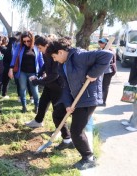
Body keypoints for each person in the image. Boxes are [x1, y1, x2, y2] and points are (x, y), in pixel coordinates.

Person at [46, 38, 112, 170]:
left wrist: (93, 74)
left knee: (76, 130)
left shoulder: (79, 56)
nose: (54, 60)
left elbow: (108, 55)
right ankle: (67, 140)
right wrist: (67, 104)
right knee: (58, 114)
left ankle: (88, 157)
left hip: (87, 98)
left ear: (60, 52)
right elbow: (65, 87)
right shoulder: (62, 65)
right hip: (74, 96)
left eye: (54, 57)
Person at [25, 36, 73, 150]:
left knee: (57, 111)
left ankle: (60, 132)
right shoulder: (45, 53)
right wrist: (38, 74)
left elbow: (54, 75)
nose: (40, 50)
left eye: (40, 48)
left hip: (58, 86)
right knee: (43, 102)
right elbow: (44, 66)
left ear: (47, 45)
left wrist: (38, 81)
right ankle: (38, 121)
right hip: (49, 84)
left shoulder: (54, 53)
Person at [8, 31, 44, 113]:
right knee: (22, 88)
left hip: (33, 73)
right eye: (24, 41)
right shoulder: (19, 47)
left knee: (34, 90)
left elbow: (40, 60)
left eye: (28, 41)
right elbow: (14, 58)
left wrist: (44, 71)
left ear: (32, 40)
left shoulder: (36, 47)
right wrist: (11, 69)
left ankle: (36, 106)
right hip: (22, 72)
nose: (26, 43)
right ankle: (24, 106)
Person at [98, 38, 117, 106]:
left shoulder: (109, 51)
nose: (100, 44)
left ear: (106, 44)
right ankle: (101, 100)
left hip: (109, 71)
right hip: (106, 71)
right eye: (99, 43)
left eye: (101, 43)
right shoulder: (104, 50)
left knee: (105, 86)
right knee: (102, 86)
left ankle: (103, 102)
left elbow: (108, 62)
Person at [121, 58, 137, 131]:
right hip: (133, 82)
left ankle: (135, 126)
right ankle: (131, 122)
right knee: (134, 104)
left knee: (136, 105)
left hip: (135, 83)